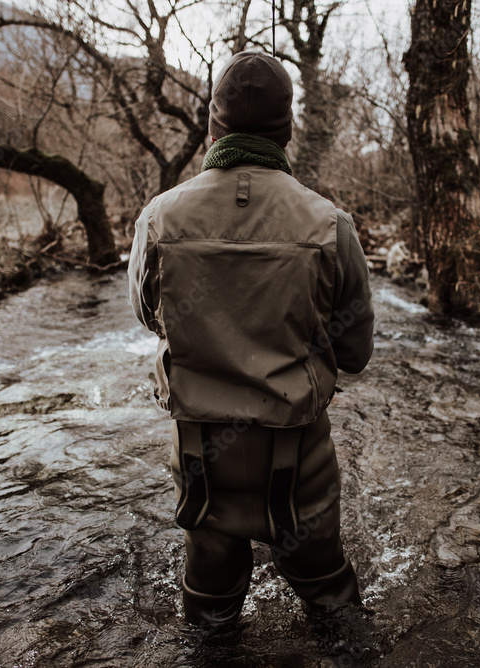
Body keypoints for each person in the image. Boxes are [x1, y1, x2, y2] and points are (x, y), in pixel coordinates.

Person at [127, 51, 374, 627]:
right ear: (287, 130)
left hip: (199, 458)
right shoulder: (330, 224)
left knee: (209, 615)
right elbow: (356, 351)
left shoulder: (159, 218)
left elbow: (148, 314)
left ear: (214, 125)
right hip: (300, 458)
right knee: (333, 604)